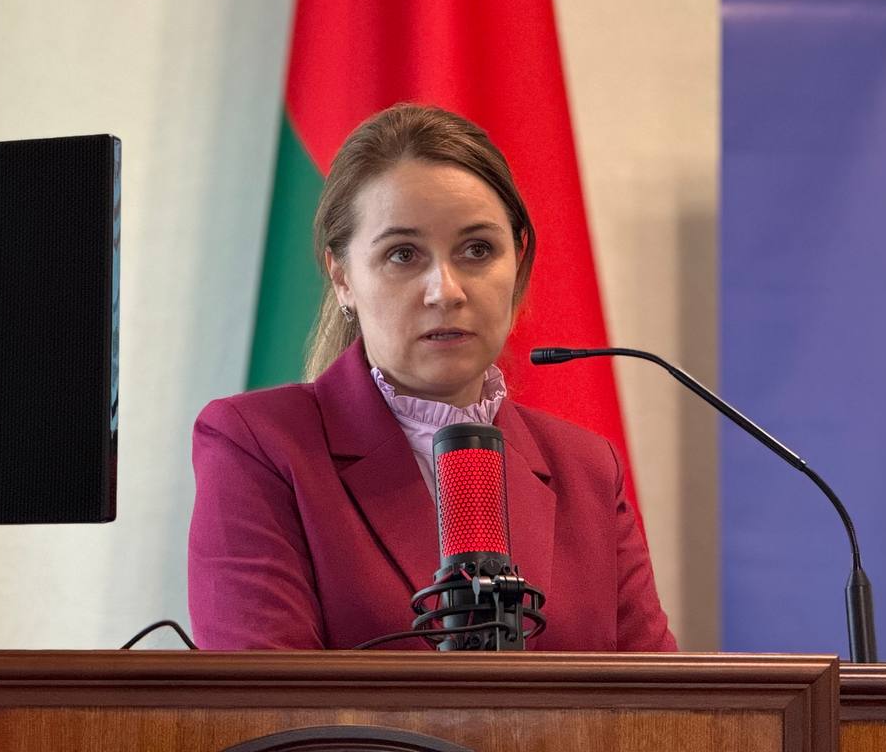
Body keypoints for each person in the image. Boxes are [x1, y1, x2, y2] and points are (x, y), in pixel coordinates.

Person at [188, 104, 675, 651]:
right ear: (342, 277)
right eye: (403, 254)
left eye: (477, 250)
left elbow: (655, 694)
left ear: (518, 260)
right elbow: (266, 696)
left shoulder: (586, 468)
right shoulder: (259, 444)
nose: (446, 290)